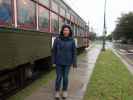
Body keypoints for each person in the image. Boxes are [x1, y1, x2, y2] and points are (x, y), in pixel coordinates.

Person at [52, 24, 77, 100]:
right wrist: (53, 61)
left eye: (67, 30)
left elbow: (74, 52)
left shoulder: (72, 40)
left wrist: (74, 62)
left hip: (68, 62)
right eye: (64, 30)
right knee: (59, 77)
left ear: (69, 31)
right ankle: (57, 91)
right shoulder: (57, 39)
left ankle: (64, 91)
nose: (65, 31)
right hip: (59, 61)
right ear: (62, 31)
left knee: (65, 77)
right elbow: (53, 51)